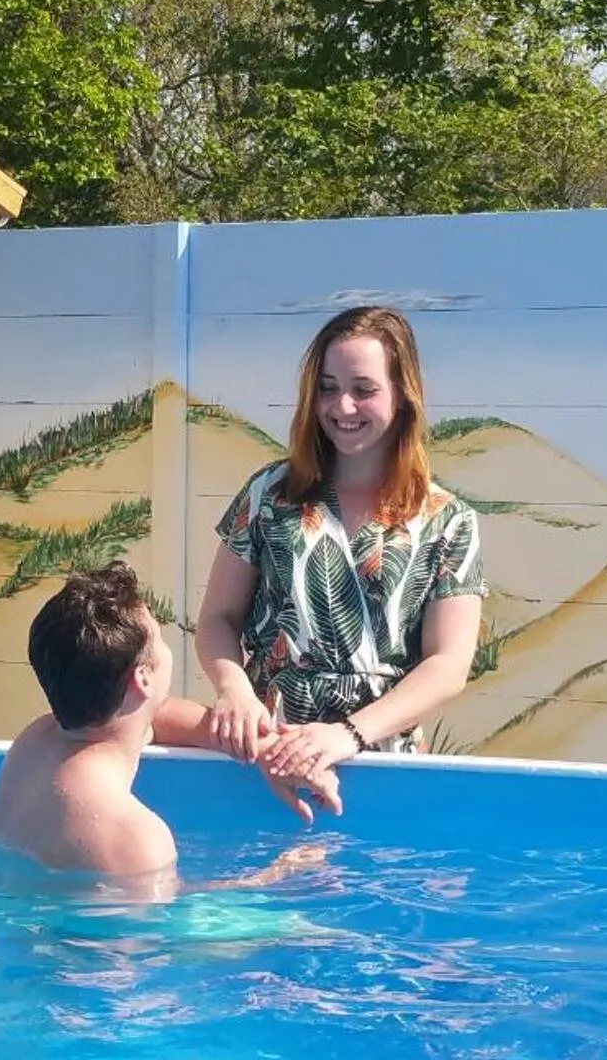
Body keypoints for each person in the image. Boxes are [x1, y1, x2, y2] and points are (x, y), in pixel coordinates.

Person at [196, 303, 486, 794]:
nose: (342, 407)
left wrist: (347, 735)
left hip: (382, 765)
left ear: (403, 396)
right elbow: (217, 619)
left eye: (363, 390)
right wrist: (234, 691)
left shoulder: (447, 519)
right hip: (270, 756)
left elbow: (449, 665)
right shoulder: (270, 494)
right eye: (328, 388)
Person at [0, 561, 339, 891]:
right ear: (142, 677)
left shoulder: (34, 742)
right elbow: (173, 927)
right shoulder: (133, 835)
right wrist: (276, 877)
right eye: (159, 638)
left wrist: (260, 747)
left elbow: (152, 717)